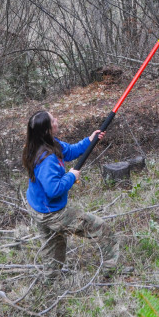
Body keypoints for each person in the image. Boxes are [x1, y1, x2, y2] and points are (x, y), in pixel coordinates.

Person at [22, 110, 122, 276]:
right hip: (52, 214)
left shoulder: (43, 143)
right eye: (53, 120)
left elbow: (70, 151)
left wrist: (89, 141)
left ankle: (51, 281)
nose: (57, 120)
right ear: (47, 129)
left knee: (54, 248)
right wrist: (71, 176)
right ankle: (111, 270)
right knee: (101, 229)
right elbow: (54, 190)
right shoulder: (47, 159)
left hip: (38, 208)